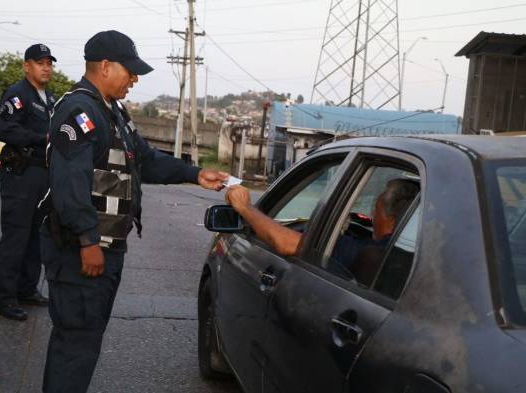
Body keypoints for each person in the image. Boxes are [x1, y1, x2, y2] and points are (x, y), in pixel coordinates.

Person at [39, 30, 229, 393]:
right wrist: (87, 240)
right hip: (81, 252)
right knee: (76, 344)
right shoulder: (79, 111)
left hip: (104, 249)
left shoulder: (112, 111)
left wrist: (193, 173)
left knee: (84, 341)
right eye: (130, 71)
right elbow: (69, 186)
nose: (135, 79)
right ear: (106, 66)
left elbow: (144, 159)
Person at [0, 44, 57, 321]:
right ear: (26, 66)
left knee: (36, 237)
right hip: (22, 174)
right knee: (16, 237)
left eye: (49, 63)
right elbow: (6, 128)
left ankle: (27, 289)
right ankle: (5, 299)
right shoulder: (18, 94)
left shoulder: (50, 98)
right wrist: (39, 138)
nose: (46, 67)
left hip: (43, 175)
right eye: (40, 63)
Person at [224, 179, 419, 267]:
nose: (371, 217)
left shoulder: (365, 250)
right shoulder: (419, 255)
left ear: (389, 218)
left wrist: (245, 208)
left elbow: (286, 244)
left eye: (374, 211)